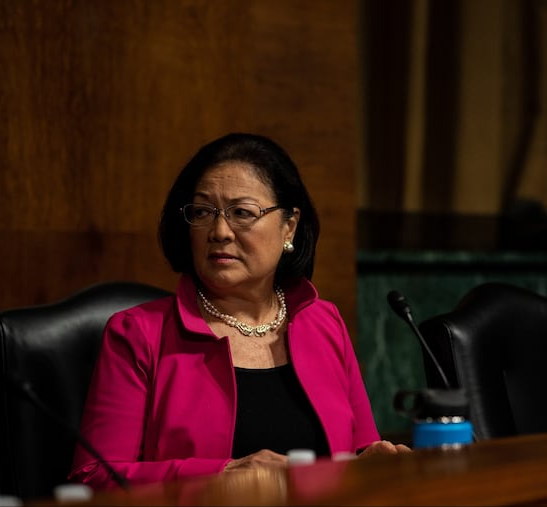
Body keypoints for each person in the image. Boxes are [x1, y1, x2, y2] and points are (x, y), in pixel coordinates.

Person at [68, 132, 410, 489]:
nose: (219, 231)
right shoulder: (137, 334)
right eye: (202, 212)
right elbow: (93, 479)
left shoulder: (323, 321)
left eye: (242, 213)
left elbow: (358, 452)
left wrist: (370, 463)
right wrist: (222, 476)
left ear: (289, 226)